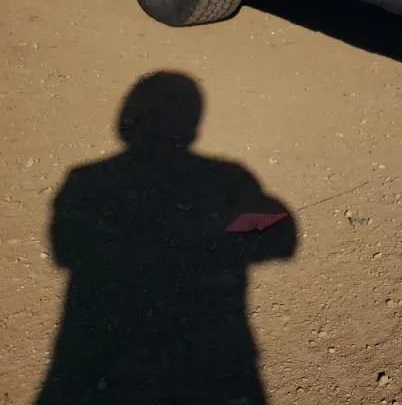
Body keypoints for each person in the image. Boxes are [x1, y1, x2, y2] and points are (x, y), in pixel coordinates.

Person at [36, 71, 296, 404]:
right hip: (209, 367)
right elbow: (279, 233)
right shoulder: (226, 179)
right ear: (190, 125)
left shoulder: (88, 181)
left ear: (130, 121)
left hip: (104, 365)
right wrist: (219, 229)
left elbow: (65, 250)